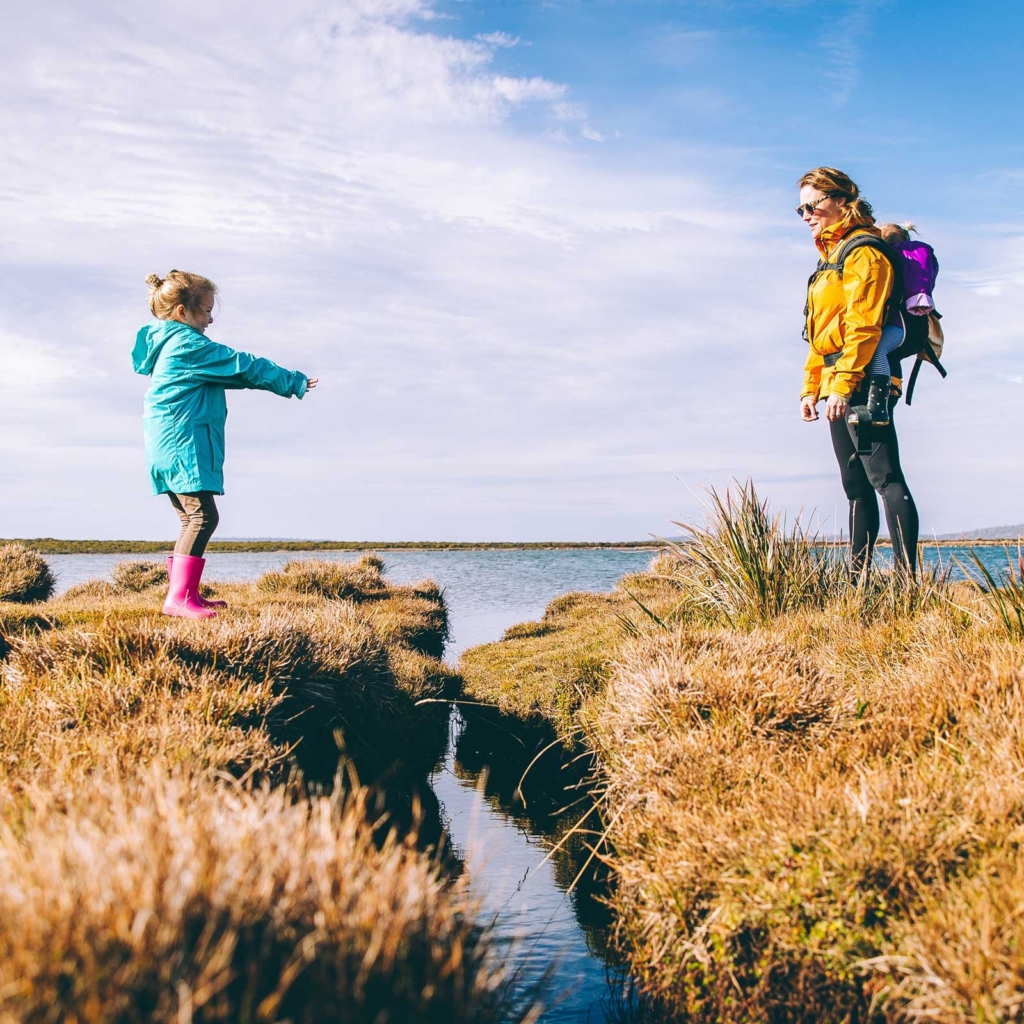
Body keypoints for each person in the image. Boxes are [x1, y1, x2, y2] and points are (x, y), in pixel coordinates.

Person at [133, 270, 317, 618]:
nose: (210, 318)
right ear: (182, 313)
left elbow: (234, 375)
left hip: (166, 445)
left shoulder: (169, 344)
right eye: (204, 310)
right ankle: (178, 598)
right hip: (181, 443)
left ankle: (186, 594)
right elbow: (241, 366)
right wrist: (292, 380)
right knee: (202, 517)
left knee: (191, 519)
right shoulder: (189, 346)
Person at [797, 168, 920, 577]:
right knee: (855, 487)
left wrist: (845, 386)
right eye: (800, 209)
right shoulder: (828, 257)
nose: (806, 215)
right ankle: (857, 582)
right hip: (836, 381)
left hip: (866, 377)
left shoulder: (863, 252)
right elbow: (820, 335)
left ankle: (907, 583)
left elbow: (863, 327)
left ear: (841, 200)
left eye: (812, 205)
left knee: (885, 478)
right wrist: (810, 389)